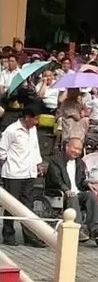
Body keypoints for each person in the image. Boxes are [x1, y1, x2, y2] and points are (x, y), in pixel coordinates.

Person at [45, 137, 98, 242]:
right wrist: (66, 189)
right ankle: (77, 229)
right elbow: (56, 179)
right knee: (72, 196)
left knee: (90, 195)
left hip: (76, 193)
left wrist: (88, 184)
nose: (77, 152)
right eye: (75, 148)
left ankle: (96, 229)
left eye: (79, 149)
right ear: (67, 147)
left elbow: (81, 181)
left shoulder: (79, 163)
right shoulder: (55, 160)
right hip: (59, 193)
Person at [0, 106, 45, 247]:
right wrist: (8, 164)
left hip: (29, 173)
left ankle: (30, 236)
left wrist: (38, 163)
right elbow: (2, 151)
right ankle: (8, 235)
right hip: (13, 174)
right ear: (27, 117)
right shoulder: (11, 130)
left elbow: (35, 148)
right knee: (11, 205)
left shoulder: (33, 130)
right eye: (35, 119)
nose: (36, 122)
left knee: (28, 206)